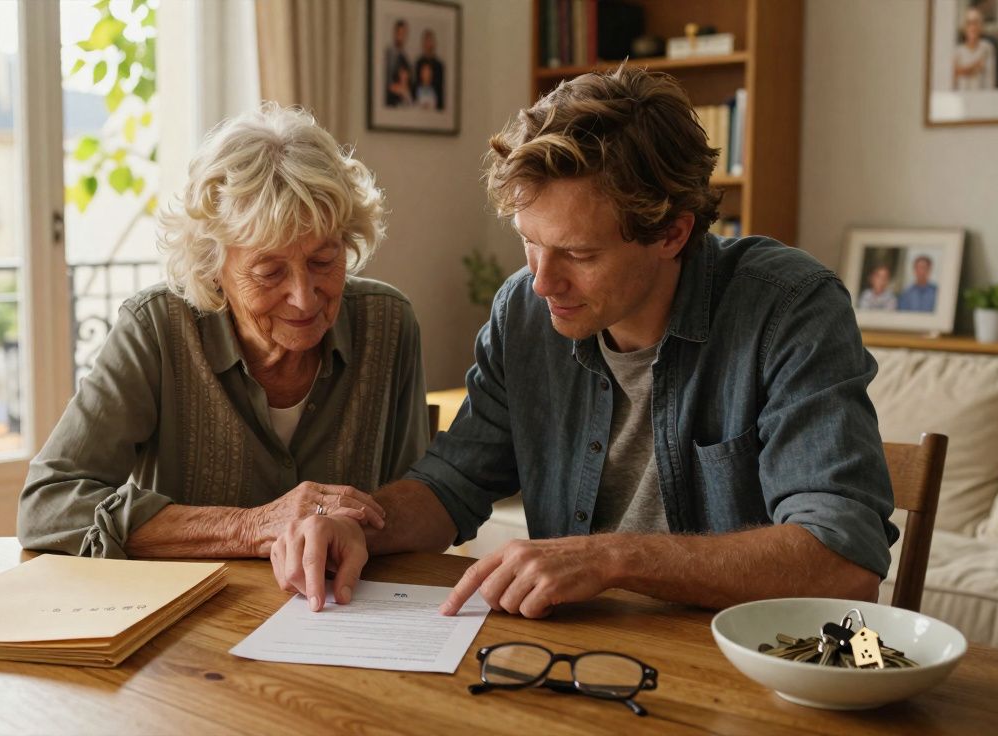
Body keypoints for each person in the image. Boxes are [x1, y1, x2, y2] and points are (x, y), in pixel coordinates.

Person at [270, 67, 897, 618]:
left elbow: (843, 563)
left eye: (578, 253)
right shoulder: (523, 308)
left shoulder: (790, 308)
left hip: (753, 662)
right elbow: (452, 483)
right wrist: (355, 529)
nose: (543, 282)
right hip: (579, 660)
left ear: (674, 232)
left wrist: (613, 558)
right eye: (529, 242)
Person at [17, 103, 430, 559]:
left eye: (323, 261)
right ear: (214, 268)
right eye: (270, 271)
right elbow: (47, 505)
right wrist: (250, 527)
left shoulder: (388, 325)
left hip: (341, 610)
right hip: (193, 616)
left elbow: (417, 503)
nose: (305, 297)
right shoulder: (156, 329)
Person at [953, 7, 995, 91]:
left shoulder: (986, 48)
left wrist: (962, 71)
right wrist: (974, 67)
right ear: (964, 27)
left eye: (975, 23)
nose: (972, 27)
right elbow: (952, 78)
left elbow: (990, 83)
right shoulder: (957, 51)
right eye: (969, 23)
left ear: (981, 27)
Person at [414, 29, 445, 110]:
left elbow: (441, 90)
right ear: (423, 43)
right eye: (426, 41)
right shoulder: (418, 63)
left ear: (434, 43)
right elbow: (415, 85)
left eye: (430, 41)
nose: (428, 44)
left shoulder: (439, 65)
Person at [384, 19, 412, 107]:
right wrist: (395, 88)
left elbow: (408, 83)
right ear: (394, 33)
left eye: (404, 34)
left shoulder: (405, 58)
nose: (401, 37)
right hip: (389, 101)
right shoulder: (387, 54)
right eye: (399, 33)